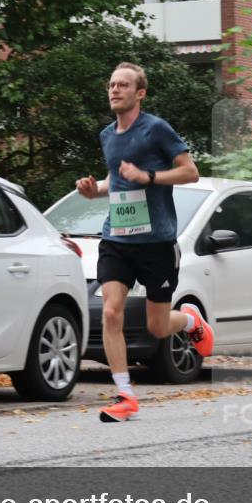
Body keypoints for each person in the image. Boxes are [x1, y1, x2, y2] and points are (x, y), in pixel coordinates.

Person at [75, 62, 213, 422]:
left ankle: (190, 322)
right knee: (110, 311)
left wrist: (147, 176)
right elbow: (114, 180)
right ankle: (125, 394)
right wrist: (95, 191)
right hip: (116, 238)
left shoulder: (156, 130)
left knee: (156, 326)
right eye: (111, 84)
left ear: (140, 93)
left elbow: (190, 171)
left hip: (157, 242)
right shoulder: (107, 135)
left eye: (123, 84)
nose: (114, 89)